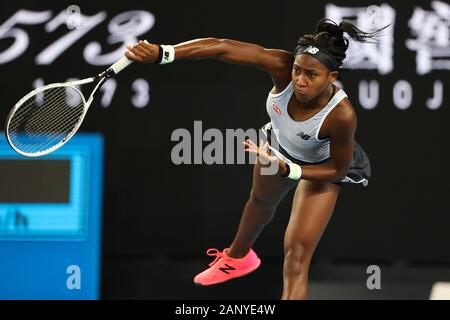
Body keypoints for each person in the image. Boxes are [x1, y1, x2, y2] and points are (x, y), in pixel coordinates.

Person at [125, 18, 388, 299]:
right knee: (260, 202)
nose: (300, 80)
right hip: (276, 147)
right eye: (298, 70)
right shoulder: (281, 66)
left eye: (312, 75)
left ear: (331, 78)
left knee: (296, 256)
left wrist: (292, 170)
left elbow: (338, 169)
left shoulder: (342, 115)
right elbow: (221, 47)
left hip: (319, 168)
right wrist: (165, 53)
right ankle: (238, 258)